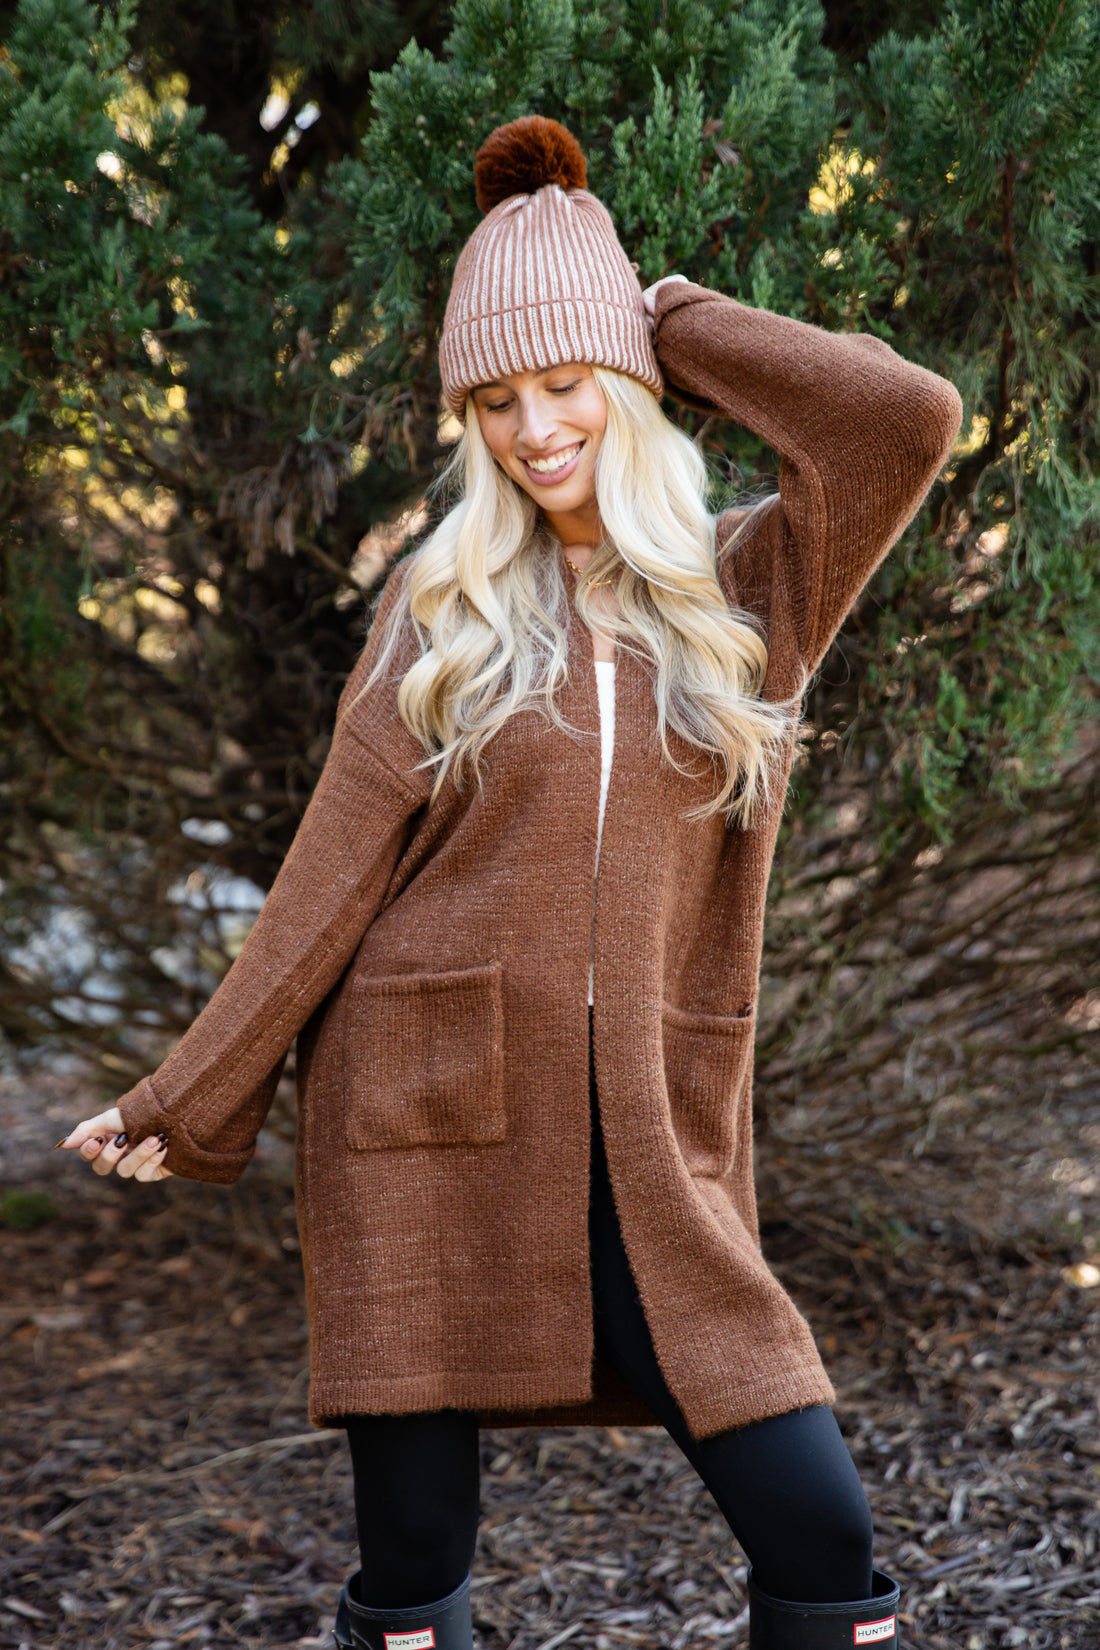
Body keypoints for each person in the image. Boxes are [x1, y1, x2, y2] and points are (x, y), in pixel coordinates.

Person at [57, 116, 962, 1650]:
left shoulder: (750, 589)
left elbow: (903, 418)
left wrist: (663, 314)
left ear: (629, 388)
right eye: (495, 400)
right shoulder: (446, 605)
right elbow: (333, 869)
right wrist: (184, 1094)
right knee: (415, 1558)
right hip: (423, 1120)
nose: (535, 431)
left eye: (566, 386)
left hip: (650, 1136)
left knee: (820, 1526)